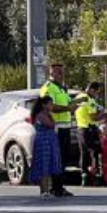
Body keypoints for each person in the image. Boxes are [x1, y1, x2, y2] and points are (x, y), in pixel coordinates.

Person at [40, 64, 80, 195]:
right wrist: (68, 108)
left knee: (63, 158)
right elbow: (50, 107)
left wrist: (76, 104)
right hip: (55, 128)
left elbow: (68, 103)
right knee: (57, 158)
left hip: (65, 127)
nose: (62, 76)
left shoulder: (62, 88)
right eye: (59, 73)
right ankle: (55, 188)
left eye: (62, 73)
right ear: (52, 74)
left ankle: (59, 186)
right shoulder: (48, 88)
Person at [29, 96, 70, 197]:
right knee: (44, 166)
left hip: (50, 141)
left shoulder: (47, 114)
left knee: (50, 166)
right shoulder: (41, 115)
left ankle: (47, 189)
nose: (52, 106)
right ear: (43, 105)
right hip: (43, 142)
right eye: (50, 104)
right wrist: (51, 117)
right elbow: (50, 124)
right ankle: (44, 191)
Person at [75, 82, 107, 187]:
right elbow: (93, 117)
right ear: (92, 90)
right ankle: (97, 176)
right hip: (89, 130)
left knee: (84, 154)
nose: (97, 95)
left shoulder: (79, 97)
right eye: (97, 92)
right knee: (96, 153)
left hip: (80, 129)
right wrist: (104, 114)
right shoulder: (90, 100)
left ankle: (84, 176)